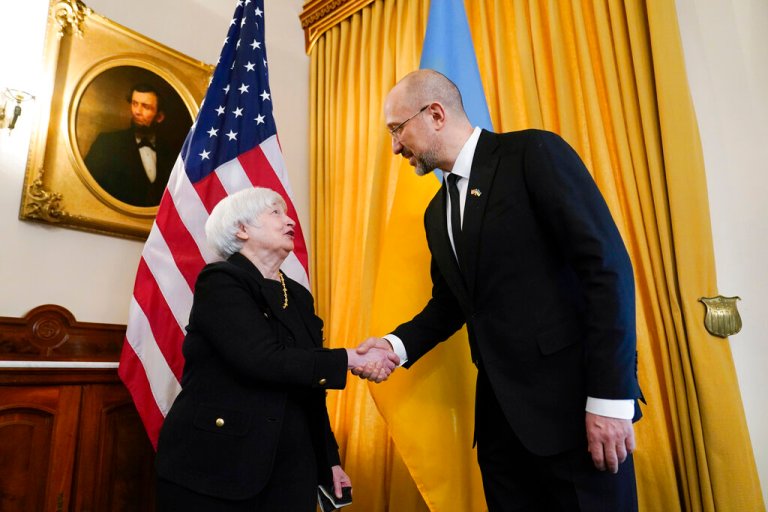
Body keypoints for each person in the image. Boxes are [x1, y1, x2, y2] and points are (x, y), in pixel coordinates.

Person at [356, 69, 643, 511]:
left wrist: (610, 400)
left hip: (576, 415)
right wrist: (395, 348)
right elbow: (452, 303)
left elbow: (606, 269)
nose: (394, 146)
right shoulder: (437, 212)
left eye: (397, 129)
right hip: (500, 431)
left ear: (435, 114)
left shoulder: (532, 153)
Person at [155, 187, 399, 511]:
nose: (290, 221)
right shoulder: (220, 280)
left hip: (289, 468)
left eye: (286, 213)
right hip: (218, 466)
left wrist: (329, 460)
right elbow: (261, 359)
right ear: (241, 230)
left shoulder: (298, 296)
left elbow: (311, 386)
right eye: (275, 213)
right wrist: (351, 358)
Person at [84, 83, 177, 207]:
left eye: (146, 107)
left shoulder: (172, 152)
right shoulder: (106, 143)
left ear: (159, 117)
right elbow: (87, 190)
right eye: (134, 104)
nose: (137, 112)